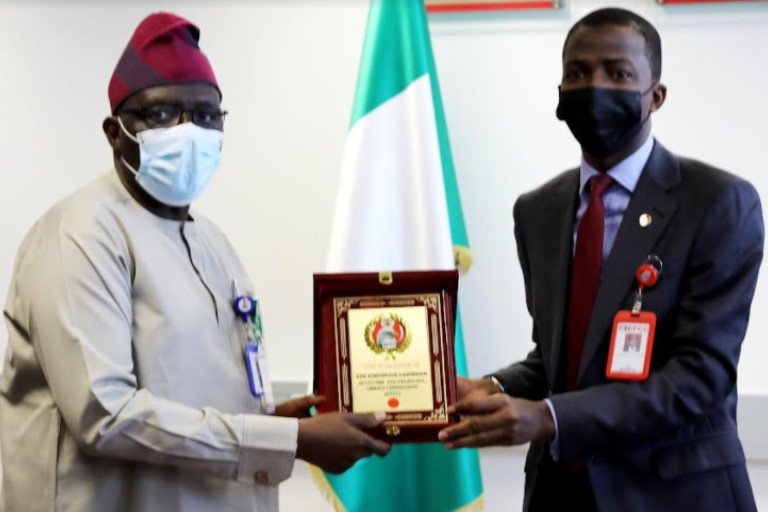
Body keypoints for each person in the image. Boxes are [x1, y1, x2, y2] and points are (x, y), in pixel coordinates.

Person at [0, 12, 390, 512]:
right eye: (162, 115)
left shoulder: (211, 241)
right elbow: (107, 414)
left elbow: (192, 383)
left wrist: (273, 418)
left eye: (207, 116)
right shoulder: (80, 235)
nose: (190, 132)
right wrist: (288, 440)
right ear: (114, 132)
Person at [438, 8, 762, 512]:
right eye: (577, 73)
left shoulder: (718, 202)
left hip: (674, 494)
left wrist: (548, 416)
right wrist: (494, 386)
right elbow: (562, 356)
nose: (594, 86)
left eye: (618, 73)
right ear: (560, 93)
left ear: (655, 96)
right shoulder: (537, 211)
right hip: (559, 493)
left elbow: (699, 376)